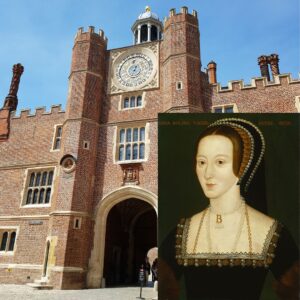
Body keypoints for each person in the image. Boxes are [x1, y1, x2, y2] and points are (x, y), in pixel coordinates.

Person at [160, 118, 299, 300]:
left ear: (242, 165)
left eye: (220, 162)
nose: (207, 173)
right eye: (202, 162)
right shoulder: (182, 232)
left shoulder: (271, 232)